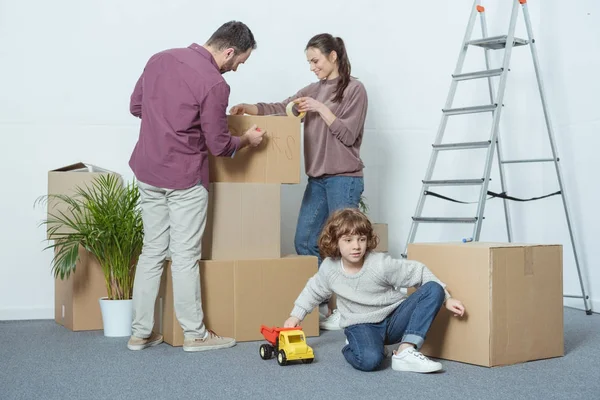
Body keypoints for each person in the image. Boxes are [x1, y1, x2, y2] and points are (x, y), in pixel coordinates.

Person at [126, 21, 266, 352]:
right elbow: (219, 145)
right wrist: (247, 139)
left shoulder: (159, 58)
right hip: (184, 178)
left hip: (148, 170)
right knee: (185, 255)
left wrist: (166, 121)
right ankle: (195, 334)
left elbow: (136, 107)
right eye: (239, 62)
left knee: (152, 251)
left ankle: (140, 332)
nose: (236, 69)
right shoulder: (214, 83)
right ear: (229, 51)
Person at [229, 33, 368, 331]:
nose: (312, 67)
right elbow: (282, 108)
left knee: (348, 247)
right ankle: (322, 305)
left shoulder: (355, 89)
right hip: (318, 179)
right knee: (305, 241)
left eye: (315, 61)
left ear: (333, 57)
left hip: (344, 178)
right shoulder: (311, 89)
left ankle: (347, 309)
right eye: (309, 62)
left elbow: (348, 135)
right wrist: (249, 107)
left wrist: (321, 109)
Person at [283, 208, 466, 373]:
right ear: (335, 242)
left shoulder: (379, 264)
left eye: (361, 239)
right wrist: (295, 316)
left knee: (434, 288)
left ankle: (405, 351)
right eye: (348, 240)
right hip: (361, 324)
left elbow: (418, 272)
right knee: (370, 361)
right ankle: (354, 345)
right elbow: (313, 291)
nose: (356, 246)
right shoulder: (330, 269)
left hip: (393, 318)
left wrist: (446, 299)